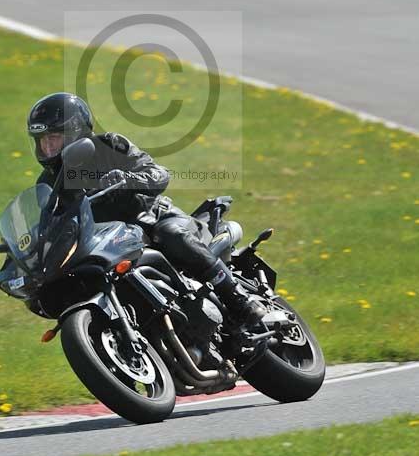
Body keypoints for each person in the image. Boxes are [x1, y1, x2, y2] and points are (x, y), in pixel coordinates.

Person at [27, 91, 265, 327]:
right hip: (109, 242)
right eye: (41, 141)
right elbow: (52, 222)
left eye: (53, 139)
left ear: (74, 132)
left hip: (150, 219)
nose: (47, 148)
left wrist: (127, 179)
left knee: (171, 234)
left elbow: (158, 174)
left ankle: (238, 299)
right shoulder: (47, 183)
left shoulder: (110, 145)